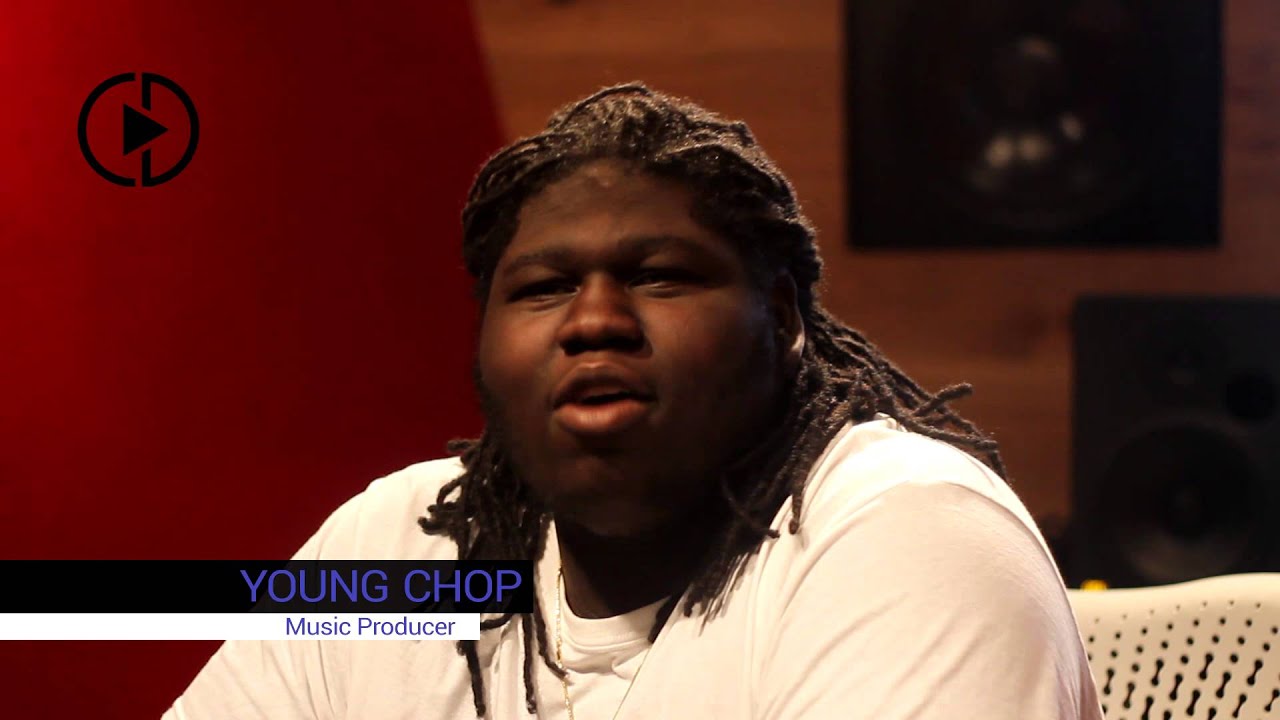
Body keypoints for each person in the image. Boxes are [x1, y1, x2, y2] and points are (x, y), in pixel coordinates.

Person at [164, 83, 1104, 719]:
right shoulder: (398, 542)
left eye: (661, 277)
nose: (594, 321)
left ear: (782, 318)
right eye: (543, 288)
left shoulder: (904, 534)